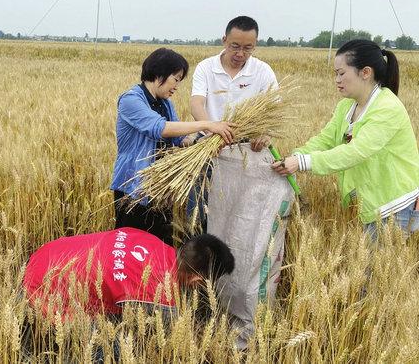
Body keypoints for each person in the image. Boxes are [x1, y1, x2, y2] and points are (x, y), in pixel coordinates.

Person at [272, 39, 419, 240]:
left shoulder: (388, 108)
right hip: (368, 205)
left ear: (365, 72)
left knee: (375, 271)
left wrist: (302, 163)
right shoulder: (347, 106)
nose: (337, 80)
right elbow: (326, 140)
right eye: (335, 74)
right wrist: (296, 155)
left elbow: (356, 151)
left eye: (341, 73)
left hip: (394, 207)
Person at [110, 48, 235, 245]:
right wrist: (208, 124)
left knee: (159, 247)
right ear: (159, 73)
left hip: (160, 188)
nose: (176, 86)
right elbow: (159, 128)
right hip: (133, 189)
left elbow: (179, 139)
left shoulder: (165, 103)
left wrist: (202, 143)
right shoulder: (131, 100)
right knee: (130, 249)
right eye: (175, 79)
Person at [188, 16, 278, 231]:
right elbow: (196, 103)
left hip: (246, 151)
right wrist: (211, 128)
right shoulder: (206, 68)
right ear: (224, 40)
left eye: (248, 48)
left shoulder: (262, 71)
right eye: (234, 46)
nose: (240, 54)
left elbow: (274, 109)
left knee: (240, 214)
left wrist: (266, 133)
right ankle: (196, 261)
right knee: (199, 211)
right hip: (208, 146)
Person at [23, 227, 235, 318]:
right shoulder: (160, 300)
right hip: (42, 291)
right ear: (197, 279)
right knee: (113, 346)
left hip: (45, 255)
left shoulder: (153, 242)